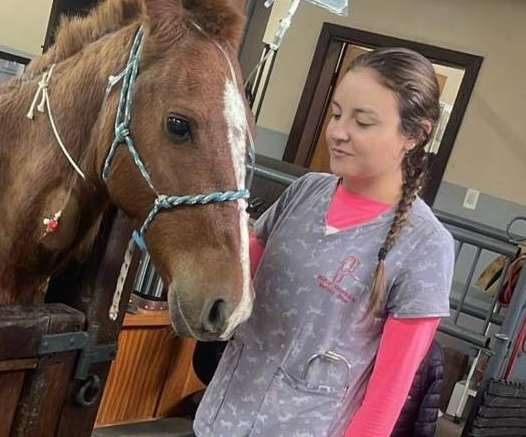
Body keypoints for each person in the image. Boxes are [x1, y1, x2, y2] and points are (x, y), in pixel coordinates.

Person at [193, 48, 455, 436]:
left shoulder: (426, 246)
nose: (338, 131)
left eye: (362, 122)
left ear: (414, 135)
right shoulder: (305, 192)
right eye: (336, 114)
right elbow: (234, 280)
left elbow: (387, 397)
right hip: (219, 421)